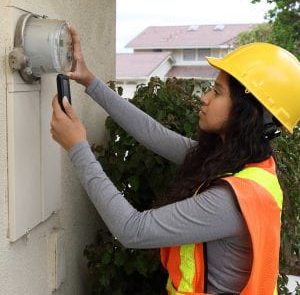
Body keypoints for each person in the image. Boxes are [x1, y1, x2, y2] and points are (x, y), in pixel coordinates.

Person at [50, 27, 300, 295]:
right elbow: (153, 134)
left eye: (216, 92)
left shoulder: (234, 200)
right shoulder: (243, 164)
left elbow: (132, 229)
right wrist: (90, 81)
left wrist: (77, 147)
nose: (204, 99)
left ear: (246, 113)